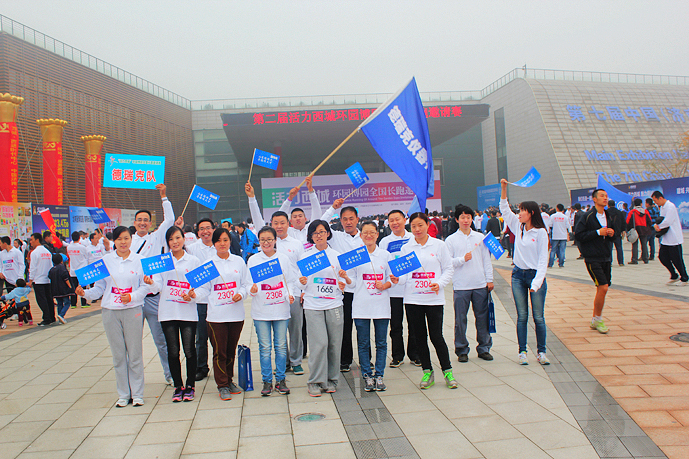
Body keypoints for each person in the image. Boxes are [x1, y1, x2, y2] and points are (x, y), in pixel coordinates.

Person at [76, 226, 151, 407]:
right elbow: (99, 288)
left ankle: (137, 393)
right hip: (110, 312)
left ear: (131, 239)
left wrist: (132, 297)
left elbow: (145, 287)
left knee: (135, 354)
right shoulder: (105, 261)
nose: (123, 242)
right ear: (114, 241)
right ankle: (123, 394)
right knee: (118, 355)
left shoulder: (140, 260)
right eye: (119, 239)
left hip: (133, 310)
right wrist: (85, 294)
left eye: (126, 238)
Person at [392, 212, 457, 389]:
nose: (417, 229)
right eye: (413, 226)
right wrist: (398, 279)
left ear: (428, 225)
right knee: (419, 337)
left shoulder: (439, 245)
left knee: (436, 336)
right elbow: (405, 275)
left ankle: (448, 371)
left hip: (433, 299)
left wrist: (439, 283)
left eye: (420, 225)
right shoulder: (407, 248)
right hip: (413, 299)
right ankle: (427, 371)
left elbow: (448, 269)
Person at [247, 183, 306, 375]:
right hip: (270, 296)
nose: (279, 226)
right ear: (270, 225)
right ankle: (284, 362)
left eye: (282, 223)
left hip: (293, 293)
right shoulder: (267, 243)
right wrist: (252, 197)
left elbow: (302, 270)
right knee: (279, 334)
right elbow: (256, 217)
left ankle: (296, 361)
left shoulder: (296, 244)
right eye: (275, 223)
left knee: (295, 329)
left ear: (288, 224)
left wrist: (302, 291)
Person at [195, 228, 251, 401]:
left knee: (231, 350)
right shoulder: (208, 264)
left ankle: (229, 379)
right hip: (216, 316)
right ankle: (222, 385)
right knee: (220, 351)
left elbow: (246, 284)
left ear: (230, 241)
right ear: (214, 243)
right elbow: (203, 289)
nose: (222, 243)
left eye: (225, 240)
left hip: (236, 314)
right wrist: (193, 295)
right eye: (218, 240)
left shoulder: (238, 261)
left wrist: (241, 294)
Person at [148, 226, 201, 403]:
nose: (175, 242)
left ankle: (190, 385)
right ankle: (178, 386)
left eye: (177, 238)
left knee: (189, 350)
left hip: (187, 311)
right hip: (168, 312)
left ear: (184, 239)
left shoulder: (193, 261)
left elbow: (199, 285)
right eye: (171, 239)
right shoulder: (163, 262)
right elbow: (157, 286)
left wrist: (192, 294)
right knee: (172, 351)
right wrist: (150, 283)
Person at [500, 179, 550, 364]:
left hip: (536, 276)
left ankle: (541, 352)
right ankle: (522, 351)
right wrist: (504, 188)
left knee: (538, 317)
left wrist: (537, 283)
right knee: (522, 316)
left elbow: (543, 261)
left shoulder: (540, 233)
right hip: (518, 276)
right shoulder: (517, 226)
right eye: (519, 210)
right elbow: (505, 209)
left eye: (522, 210)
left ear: (532, 213)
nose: (519, 213)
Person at [130, 183, 176, 385]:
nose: (142, 223)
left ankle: (170, 374)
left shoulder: (156, 238)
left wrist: (164, 196)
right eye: (139, 220)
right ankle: (134, 379)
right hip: (133, 298)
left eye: (145, 220)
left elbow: (170, 220)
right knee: (133, 342)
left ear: (150, 223)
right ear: (134, 222)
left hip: (153, 297)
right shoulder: (127, 241)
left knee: (161, 339)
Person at [299, 220, 351, 396]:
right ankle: (315, 381)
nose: (319, 235)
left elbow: (344, 279)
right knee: (319, 343)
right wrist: (302, 282)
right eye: (315, 233)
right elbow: (299, 282)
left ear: (328, 233)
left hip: (334, 304)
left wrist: (343, 282)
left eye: (322, 232)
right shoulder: (306, 256)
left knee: (334, 344)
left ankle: (331, 379)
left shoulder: (336, 255)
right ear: (311, 236)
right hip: (313, 305)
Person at [247, 226, 298, 396]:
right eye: (263, 240)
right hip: (261, 311)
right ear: (259, 241)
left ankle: (281, 379)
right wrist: (252, 289)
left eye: (269, 239)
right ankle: (267, 380)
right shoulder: (253, 260)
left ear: (275, 240)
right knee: (265, 347)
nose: (266, 243)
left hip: (280, 309)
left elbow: (290, 281)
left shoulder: (283, 259)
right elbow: (248, 283)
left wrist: (290, 295)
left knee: (281, 346)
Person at [446, 204, 494, 363]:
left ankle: (484, 348)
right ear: (457, 219)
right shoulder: (451, 240)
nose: (466, 220)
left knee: (482, 318)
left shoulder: (480, 237)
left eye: (468, 217)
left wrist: (489, 279)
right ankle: (462, 349)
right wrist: (462, 259)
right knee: (460, 320)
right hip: (461, 286)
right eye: (462, 217)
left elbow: (486, 260)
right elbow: (447, 262)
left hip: (480, 284)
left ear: (472, 219)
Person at [321, 199, 364, 372]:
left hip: (363, 289)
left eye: (351, 218)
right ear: (340, 220)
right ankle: (345, 360)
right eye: (344, 219)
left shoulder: (365, 237)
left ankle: (366, 360)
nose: (348, 222)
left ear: (357, 219)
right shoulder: (337, 237)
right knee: (345, 327)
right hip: (344, 290)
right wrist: (333, 208)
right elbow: (321, 223)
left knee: (363, 327)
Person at [352, 221, 394, 391]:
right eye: (365, 233)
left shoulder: (385, 255)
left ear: (377, 234)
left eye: (372, 232)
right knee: (363, 343)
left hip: (380, 305)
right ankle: (367, 375)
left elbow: (392, 278)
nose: (368, 235)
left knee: (381, 342)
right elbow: (352, 281)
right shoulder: (356, 256)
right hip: (361, 305)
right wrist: (345, 278)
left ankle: (379, 375)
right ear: (360, 235)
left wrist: (385, 285)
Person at [379, 210, 419, 367]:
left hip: (411, 289)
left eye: (397, 219)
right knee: (395, 325)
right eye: (391, 220)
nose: (395, 223)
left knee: (414, 324)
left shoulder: (413, 238)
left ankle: (415, 354)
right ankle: (397, 355)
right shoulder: (384, 242)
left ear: (404, 220)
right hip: (393, 290)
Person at [574, 189, 618, 334]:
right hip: (593, 258)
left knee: (603, 288)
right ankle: (598, 319)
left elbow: (614, 234)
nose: (605, 198)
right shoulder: (587, 216)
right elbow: (579, 235)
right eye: (601, 196)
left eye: (606, 196)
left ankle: (595, 318)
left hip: (606, 256)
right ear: (594, 199)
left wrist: (611, 233)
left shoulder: (608, 215)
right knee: (603, 287)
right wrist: (598, 232)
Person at [186, 218, 216, 381]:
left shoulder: (220, 245)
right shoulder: (191, 249)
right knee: (201, 337)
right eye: (202, 229)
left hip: (218, 298)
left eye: (208, 228)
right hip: (200, 300)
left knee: (218, 336)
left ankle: (221, 366)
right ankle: (201, 367)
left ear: (213, 229)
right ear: (198, 232)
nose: (205, 232)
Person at [652, 191, 688, 285]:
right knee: (662, 257)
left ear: (660, 198)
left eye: (655, 200)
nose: (655, 203)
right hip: (666, 238)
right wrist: (656, 225)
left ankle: (684, 277)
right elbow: (661, 219)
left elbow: (668, 221)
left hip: (674, 238)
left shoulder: (670, 206)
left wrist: (658, 227)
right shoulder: (662, 207)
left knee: (677, 259)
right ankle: (674, 275)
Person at [278, 175, 323, 246]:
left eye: (300, 216)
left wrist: (311, 190)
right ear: (290, 221)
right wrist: (290, 198)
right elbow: (279, 216)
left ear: (305, 219)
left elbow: (317, 210)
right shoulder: (287, 232)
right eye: (295, 217)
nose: (298, 218)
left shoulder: (311, 228)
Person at [28, 233, 55, 326]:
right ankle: (52, 317)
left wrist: (30, 280)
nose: (30, 242)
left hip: (38, 280)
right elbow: (51, 266)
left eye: (32, 240)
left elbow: (33, 267)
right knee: (49, 299)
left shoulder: (34, 253)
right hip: (47, 280)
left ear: (37, 240)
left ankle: (46, 318)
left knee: (41, 300)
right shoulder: (47, 252)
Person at [48, 253, 73, 324]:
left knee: (59, 303)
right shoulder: (62, 268)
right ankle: (61, 315)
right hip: (63, 289)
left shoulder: (52, 269)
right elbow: (65, 278)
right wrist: (70, 286)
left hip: (55, 290)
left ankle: (60, 319)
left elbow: (49, 276)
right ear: (61, 260)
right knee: (67, 302)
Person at [626, 198, 652, 264]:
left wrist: (628, 230)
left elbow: (627, 221)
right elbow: (650, 221)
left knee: (635, 245)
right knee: (644, 244)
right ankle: (645, 259)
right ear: (641, 204)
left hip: (635, 229)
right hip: (644, 229)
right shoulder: (645, 211)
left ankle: (634, 259)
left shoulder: (632, 212)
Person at [67, 231, 89, 308]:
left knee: (74, 287)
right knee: (83, 287)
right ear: (79, 238)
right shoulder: (82, 247)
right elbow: (87, 257)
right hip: (82, 269)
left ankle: (73, 304)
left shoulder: (69, 247)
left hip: (73, 270)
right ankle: (83, 303)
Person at [606, 200, 626, 266]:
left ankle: (609, 261)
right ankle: (621, 262)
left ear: (608, 205)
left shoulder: (606, 212)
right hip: (617, 232)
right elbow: (623, 222)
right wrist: (623, 230)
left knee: (609, 248)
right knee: (619, 248)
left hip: (609, 232)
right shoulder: (619, 212)